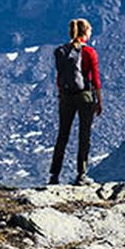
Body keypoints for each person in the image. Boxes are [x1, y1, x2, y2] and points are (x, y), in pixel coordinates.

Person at [50, 18, 103, 185]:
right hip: (84, 96)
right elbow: (95, 79)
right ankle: (81, 174)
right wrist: (99, 100)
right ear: (85, 32)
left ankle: (54, 175)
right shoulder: (89, 52)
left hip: (66, 96)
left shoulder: (63, 51)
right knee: (84, 135)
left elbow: (59, 76)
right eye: (90, 30)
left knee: (63, 135)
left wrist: (61, 94)